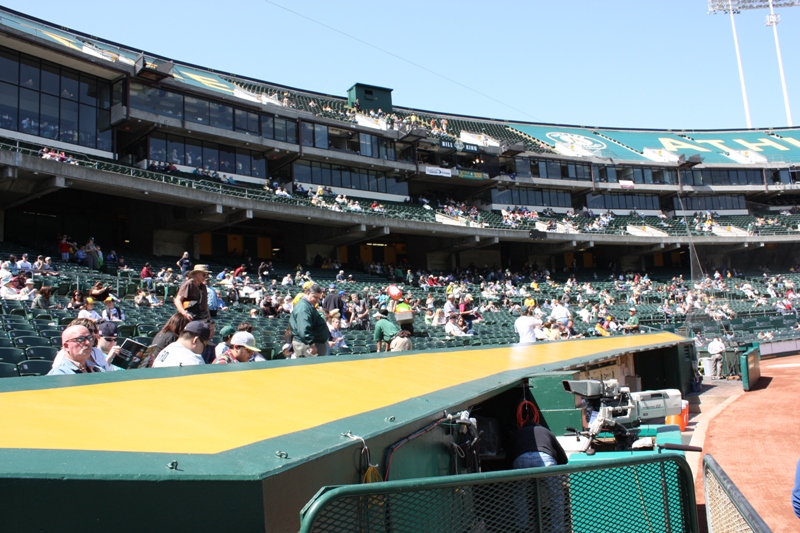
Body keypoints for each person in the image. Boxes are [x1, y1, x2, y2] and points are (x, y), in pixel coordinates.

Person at [290, 283, 330, 357]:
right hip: (306, 345)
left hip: (311, 344)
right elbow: (304, 328)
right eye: (315, 297)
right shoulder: (303, 307)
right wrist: (311, 344)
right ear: (308, 293)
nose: (317, 300)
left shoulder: (308, 305)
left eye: (318, 298)